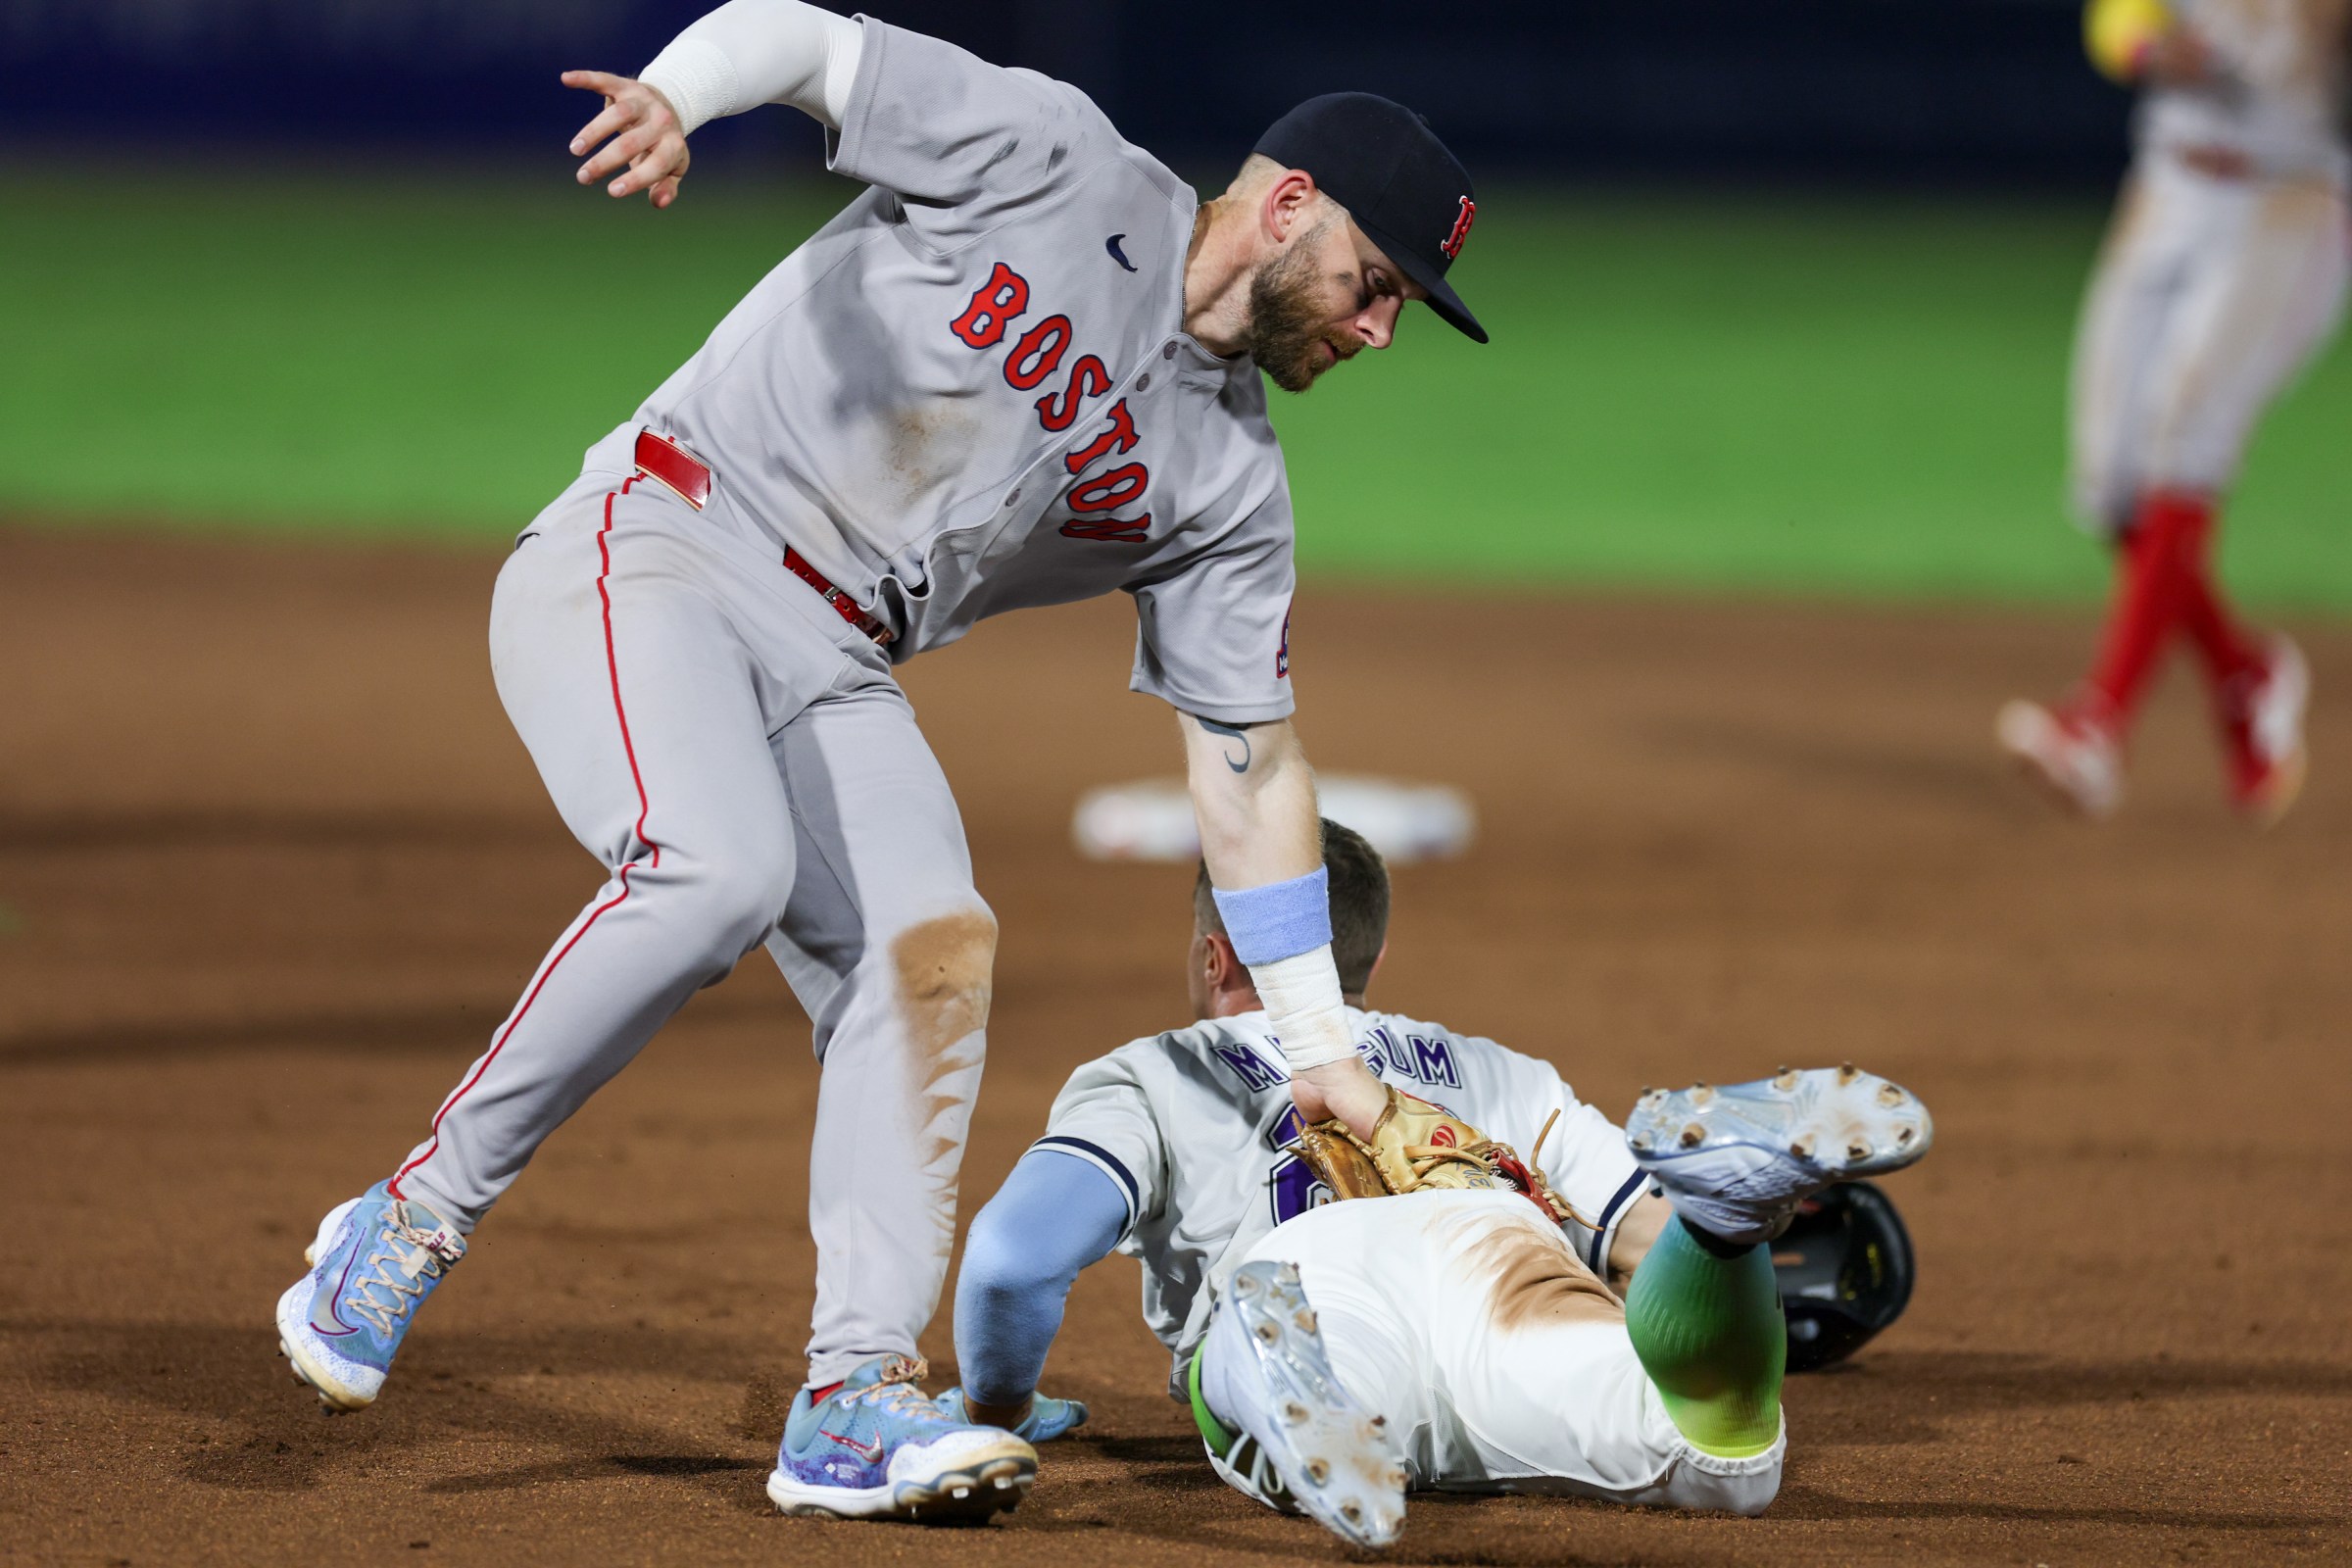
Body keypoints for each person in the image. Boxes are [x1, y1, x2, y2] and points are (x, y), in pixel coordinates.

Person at [272, 0, 1490, 1524]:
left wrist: (1319, 1052)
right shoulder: (1055, 159)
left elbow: (1248, 766)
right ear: (1291, 206)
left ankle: (851, 1393)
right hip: (656, 540)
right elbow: (802, 41)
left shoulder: (1231, 485)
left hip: (835, 662)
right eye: (1379, 283)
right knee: (717, 871)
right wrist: (676, 96)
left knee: (931, 948)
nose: (1381, 328)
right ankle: (407, 1221)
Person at [946, 822, 1933, 1547]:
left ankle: (1273, 1356)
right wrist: (1699, 1252)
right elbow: (1640, 1231)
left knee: (1248, 1356)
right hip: (1498, 1255)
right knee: (1723, 1458)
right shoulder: (1497, 1071)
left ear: (1216, 956)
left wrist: (1000, 1407)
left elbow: (1009, 1259)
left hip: (1306, 1275)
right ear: (1368, 956)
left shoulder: (1159, 1070)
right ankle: (1734, 1223)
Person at [1997, 0, 2349, 822]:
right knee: (2112, 486)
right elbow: (2114, 21)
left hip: (2289, 204)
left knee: (2186, 441)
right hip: (2169, 190)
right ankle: (2243, 674)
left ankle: (2096, 724)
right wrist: (2148, 47)